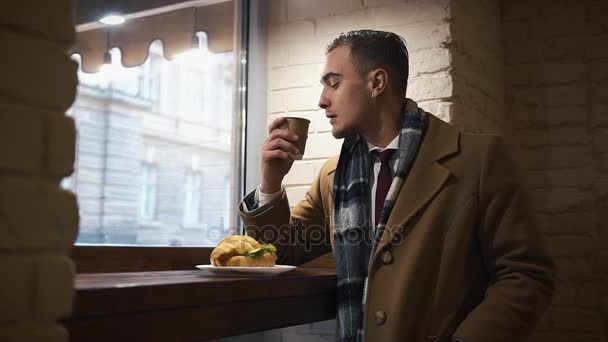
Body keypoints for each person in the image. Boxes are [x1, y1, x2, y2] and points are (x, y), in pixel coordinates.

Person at [238, 30, 555, 342]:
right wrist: (271, 181)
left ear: (376, 82)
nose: (322, 101)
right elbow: (282, 252)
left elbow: (525, 276)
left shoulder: (478, 160)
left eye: (333, 83)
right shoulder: (332, 176)